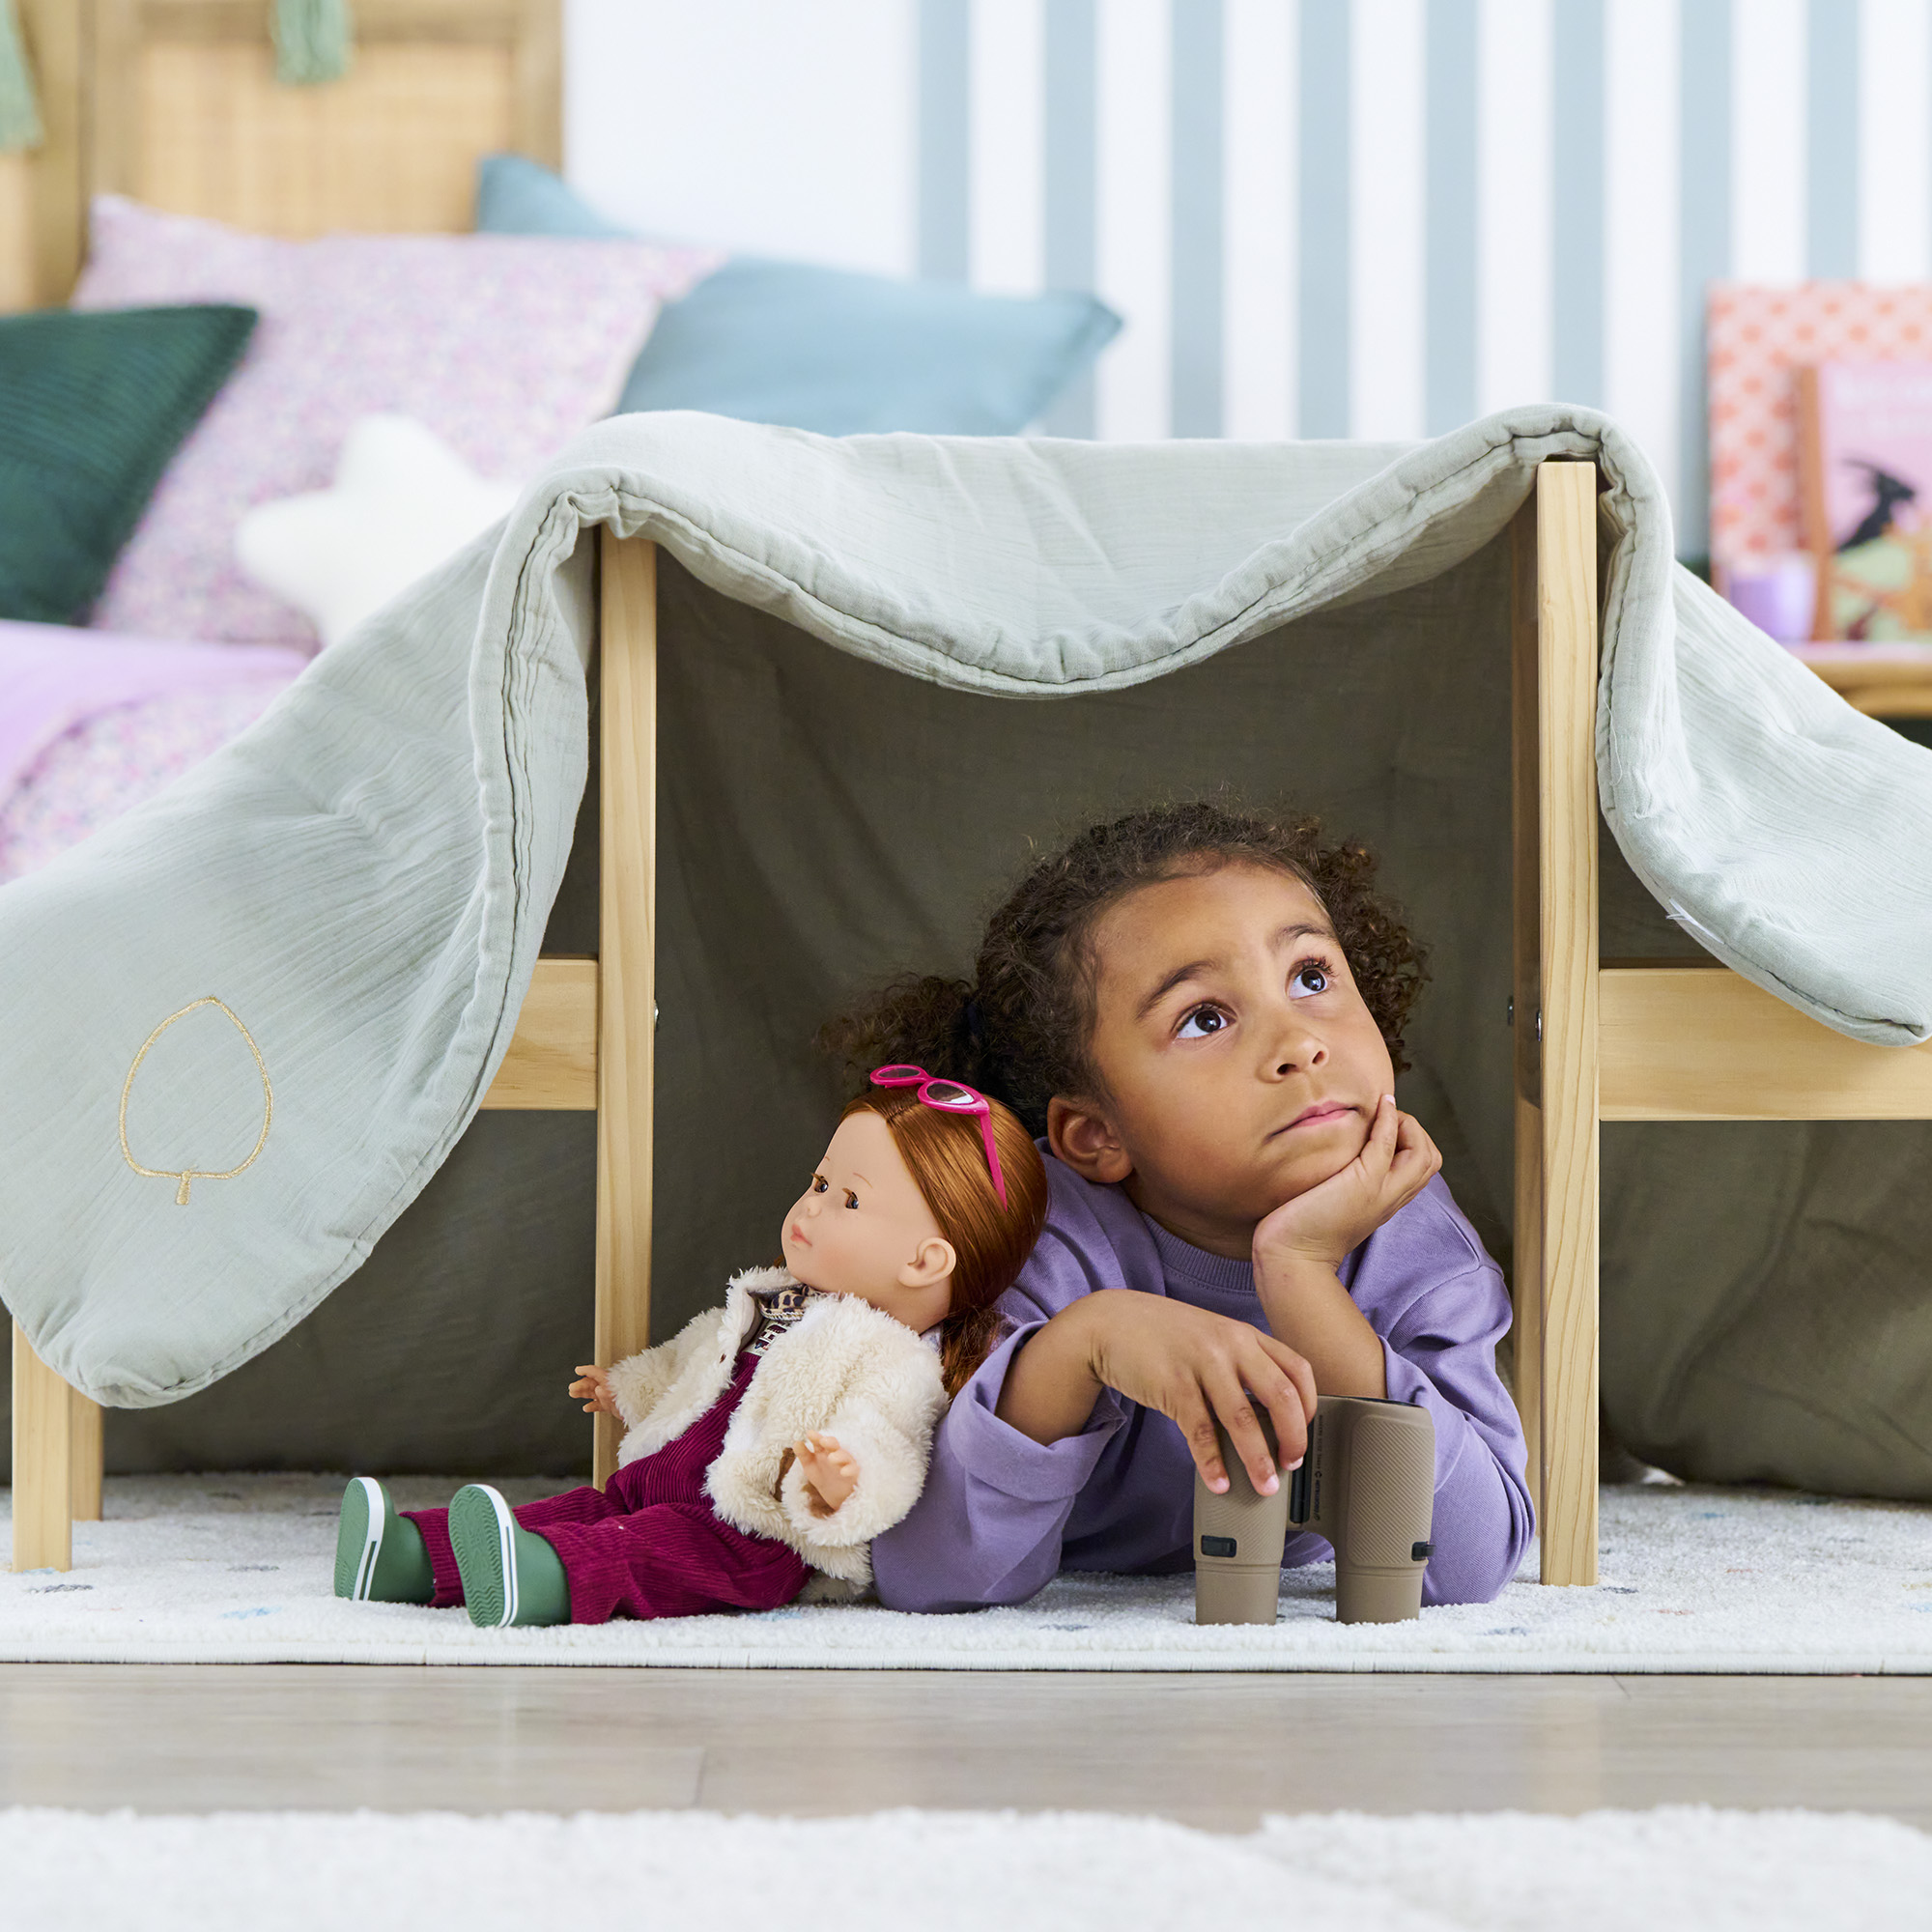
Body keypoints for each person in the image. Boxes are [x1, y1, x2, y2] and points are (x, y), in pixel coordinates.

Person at [825, 801, 1533, 1612]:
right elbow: (929, 1572)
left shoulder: (1421, 1244)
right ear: (1095, 1136)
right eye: (1205, 1018)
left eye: (1311, 977)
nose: (1300, 1043)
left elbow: (1474, 1563)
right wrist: (1088, 1342)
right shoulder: (1038, 1238)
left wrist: (1302, 1279)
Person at [331, 1071, 1047, 1627]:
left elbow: (888, 1447)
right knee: (584, 1510)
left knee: (642, 1549)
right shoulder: (771, 1297)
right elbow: (698, 1357)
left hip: (748, 1531)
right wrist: (633, 1388)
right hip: (666, 1477)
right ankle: (404, 1558)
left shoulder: (894, 1359)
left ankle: (544, 1581)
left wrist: (840, 1483)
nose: (810, 1205)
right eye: (818, 1182)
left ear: (926, 1262)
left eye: (846, 1200)